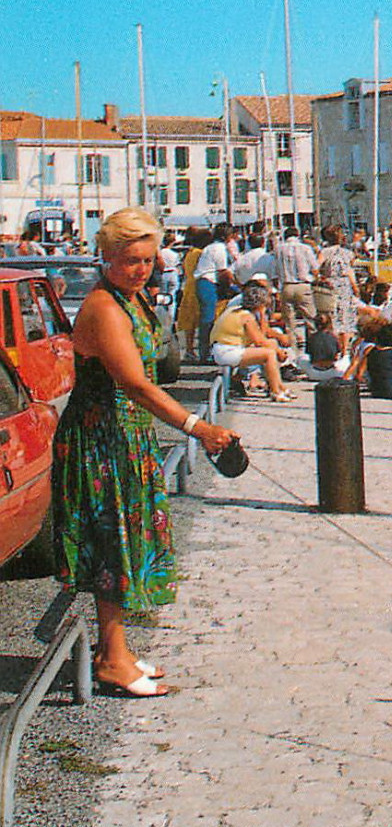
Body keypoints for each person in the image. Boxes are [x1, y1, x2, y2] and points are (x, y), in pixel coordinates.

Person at [55, 207, 237, 698]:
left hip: (127, 437)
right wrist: (197, 426)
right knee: (113, 542)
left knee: (128, 539)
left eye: (147, 259)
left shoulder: (131, 299)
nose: (139, 269)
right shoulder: (103, 307)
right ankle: (112, 660)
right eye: (128, 260)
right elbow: (133, 383)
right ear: (106, 257)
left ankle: (115, 650)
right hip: (101, 440)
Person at [209, 285, 293, 401]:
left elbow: (262, 339)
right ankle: (275, 391)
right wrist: (279, 352)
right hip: (226, 351)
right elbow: (260, 341)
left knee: (272, 344)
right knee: (269, 355)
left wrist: (275, 347)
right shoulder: (247, 317)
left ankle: (280, 387)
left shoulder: (233, 311)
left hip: (221, 348)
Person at [316, 225, 360, 355]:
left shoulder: (324, 252)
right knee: (345, 319)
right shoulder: (348, 253)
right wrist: (355, 287)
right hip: (345, 286)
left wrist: (320, 278)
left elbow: (316, 268)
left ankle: (334, 349)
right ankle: (344, 350)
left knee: (333, 318)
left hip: (331, 285)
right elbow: (349, 271)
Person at [192, 222, 235, 349]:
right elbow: (223, 272)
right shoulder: (219, 249)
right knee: (208, 318)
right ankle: (205, 350)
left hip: (205, 282)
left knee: (208, 317)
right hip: (208, 282)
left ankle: (206, 348)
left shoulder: (211, 247)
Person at [275, 225, 319, 347]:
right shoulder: (305, 248)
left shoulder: (279, 249)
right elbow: (315, 268)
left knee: (289, 321)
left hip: (286, 286)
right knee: (310, 318)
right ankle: (312, 345)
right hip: (303, 285)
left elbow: (276, 269)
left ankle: (293, 345)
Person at [174, 228, 210, 359]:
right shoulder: (200, 254)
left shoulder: (189, 253)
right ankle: (198, 349)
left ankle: (189, 348)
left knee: (190, 321)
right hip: (197, 286)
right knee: (200, 319)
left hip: (189, 285)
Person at [296, 312, 349, 382]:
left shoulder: (311, 337)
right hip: (332, 373)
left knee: (301, 358)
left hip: (314, 374)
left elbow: (309, 354)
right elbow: (337, 355)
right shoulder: (333, 337)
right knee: (347, 358)